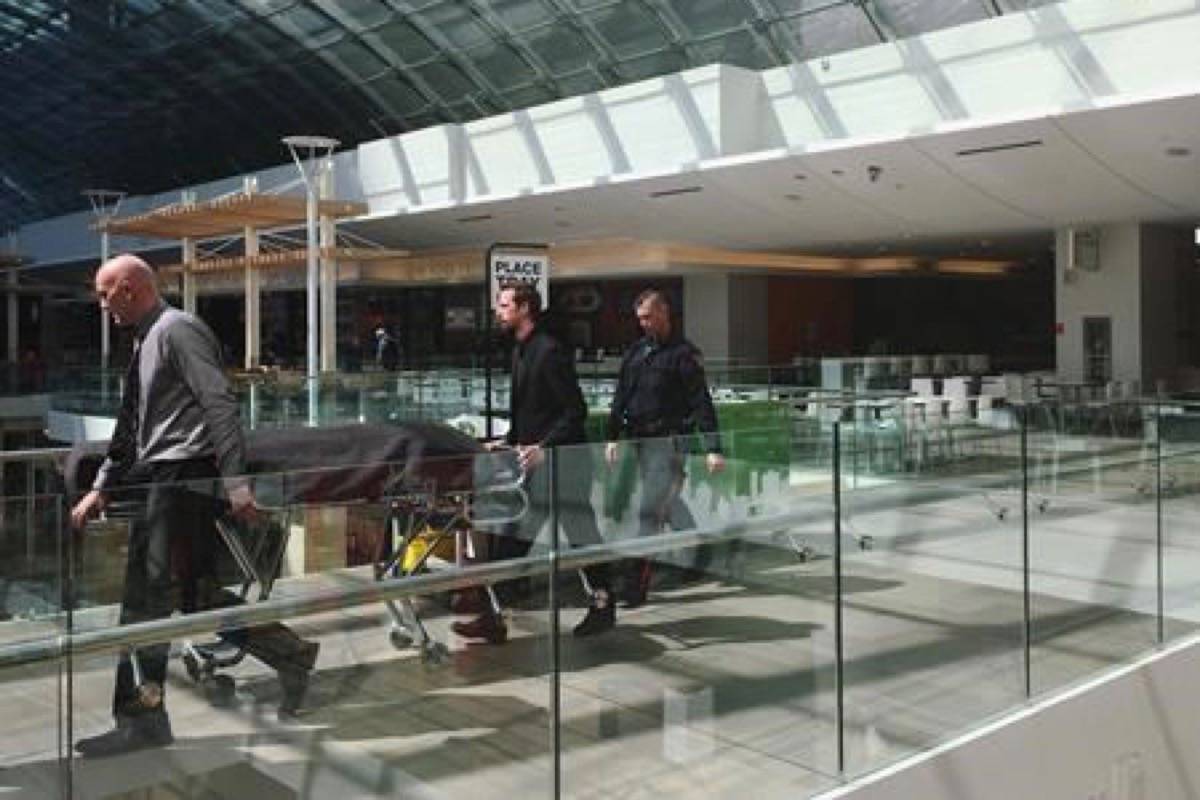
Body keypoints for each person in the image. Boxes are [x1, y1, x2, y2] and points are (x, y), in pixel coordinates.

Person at [69, 254, 320, 758]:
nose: (101, 304)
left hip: (185, 479)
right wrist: (103, 484)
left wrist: (236, 482)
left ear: (130, 288)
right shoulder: (145, 337)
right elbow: (128, 423)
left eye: (104, 293)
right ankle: (289, 655)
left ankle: (143, 723)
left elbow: (220, 402)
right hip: (165, 477)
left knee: (147, 601)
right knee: (190, 595)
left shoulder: (178, 330)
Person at [453, 283, 615, 643]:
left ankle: (603, 605)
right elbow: (533, 412)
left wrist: (544, 446)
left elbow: (575, 412)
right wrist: (508, 440)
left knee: (579, 538)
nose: (499, 310)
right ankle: (494, 618)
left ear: (525, 308)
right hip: (536, 465)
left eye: (505, 304)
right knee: (513, 539)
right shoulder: (521, 350)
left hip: (564, 466)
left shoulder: (549, 351)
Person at [605, 288, 725, 608]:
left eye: (648, 317)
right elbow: (621, 396)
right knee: (664, 505)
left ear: (664, 313)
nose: (643, 324)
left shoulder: (683, 355)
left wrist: (713, 446)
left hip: (670, 443)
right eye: (639, 319)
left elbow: (701, 402)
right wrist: (612, 436)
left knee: (649, 512)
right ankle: (700, 551)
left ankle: (635, 586)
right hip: (640, 443)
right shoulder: (636, 352)